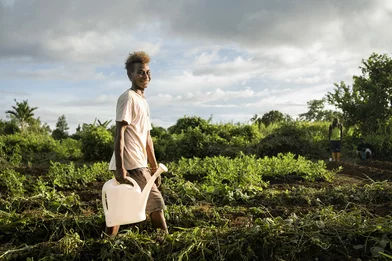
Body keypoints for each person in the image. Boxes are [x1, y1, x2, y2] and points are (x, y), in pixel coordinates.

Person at [105, 51, 168, 237]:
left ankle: (105, 243)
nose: (145, 76)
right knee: (156, 205)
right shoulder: (128, 98)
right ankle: (166, 244)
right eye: (140, 72)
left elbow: (147, 138)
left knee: (120, 207)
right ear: (130, 75)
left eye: (148, 72)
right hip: (131, 165)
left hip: (140, 164)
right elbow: (120, 134)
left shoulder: (143, 100)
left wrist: (154, 166)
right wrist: (120, 167)